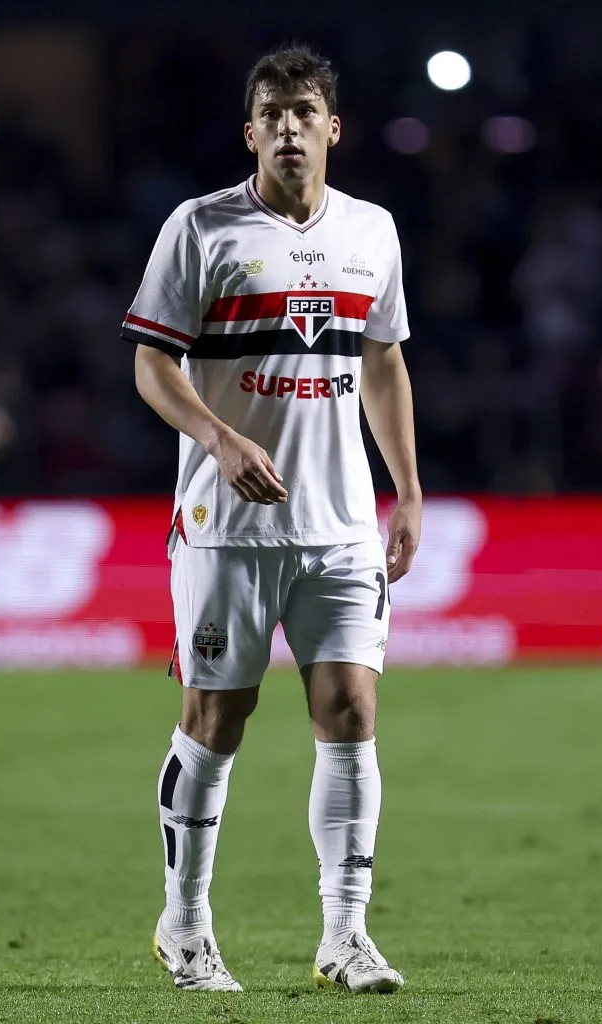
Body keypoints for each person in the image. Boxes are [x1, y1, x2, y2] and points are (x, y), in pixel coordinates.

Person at [122, 43, 422, 994]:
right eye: (272, 114)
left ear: (333, 129)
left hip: (338, 526)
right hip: (225, 526)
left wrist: (406, 489)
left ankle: (344, 934)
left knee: (351, 711)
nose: (289, 128)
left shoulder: (372, 232)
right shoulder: (200, 228)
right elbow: (151, 363)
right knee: (216, 720)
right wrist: (218, 438)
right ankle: (184, 925)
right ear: (248, 132)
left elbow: (379, 362)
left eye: (305, 112)